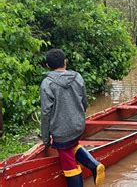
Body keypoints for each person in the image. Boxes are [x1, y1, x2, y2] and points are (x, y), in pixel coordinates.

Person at [40, 49, 105, 187]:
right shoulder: (78, 77)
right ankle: (94, 165)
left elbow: (46, 113)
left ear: (47, 66)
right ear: (65, 62)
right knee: (73, 145)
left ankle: (89, 170)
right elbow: (84, 103)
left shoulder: (47, 83)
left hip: (61, 131)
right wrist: (78, 118)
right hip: (78, 126)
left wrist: (46, 139)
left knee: (69, 164)